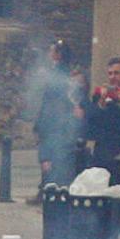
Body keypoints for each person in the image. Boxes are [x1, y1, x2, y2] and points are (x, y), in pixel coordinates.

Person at [30, 40, 83, 188]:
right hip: (52, 120)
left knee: (53, 160)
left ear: (58, 55)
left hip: (58, 122)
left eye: (52, 51)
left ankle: (51, 191)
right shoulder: (59, 72)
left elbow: (55, 100)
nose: (49, 54)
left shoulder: (62, 74)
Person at [85, 56, 120, 180]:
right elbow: (91, 121)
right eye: (110, 73)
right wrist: (102, 103)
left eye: (116, 73)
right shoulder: (99, 94)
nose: (112, 77)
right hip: (103, 151)